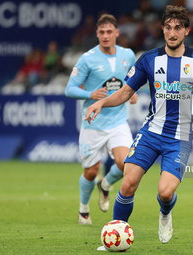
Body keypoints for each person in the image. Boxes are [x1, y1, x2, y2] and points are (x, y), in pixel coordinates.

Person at [85, 5, 193, 244]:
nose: (172, 33)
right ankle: (116, 235)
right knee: (128, 183)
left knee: (165, 192)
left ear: (187, 31)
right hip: (151, 132)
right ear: (162, 29)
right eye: (168, 28)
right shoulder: (150, 59)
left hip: (180, 137)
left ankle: (166, 211)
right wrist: (101, 103)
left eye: (178, 28)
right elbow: (125, 92)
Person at [65, 14, 137, 225]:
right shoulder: (87, 58)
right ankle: (84, 209)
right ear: (97, 34)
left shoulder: (128, 55)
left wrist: (132, 92)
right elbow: (69, 89)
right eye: (101, 32)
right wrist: (90, 94)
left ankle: (105, 185)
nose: (105, 36)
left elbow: (132, 79)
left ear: (117, 33)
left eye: (109, 32)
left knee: (127, 164)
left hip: (118, 121)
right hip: (93, 122)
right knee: (90, 171)